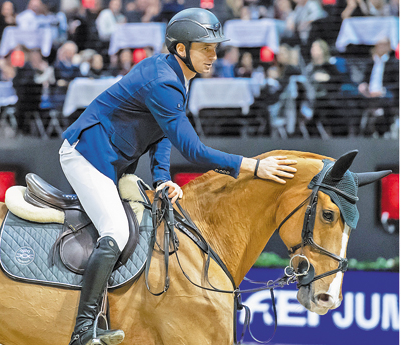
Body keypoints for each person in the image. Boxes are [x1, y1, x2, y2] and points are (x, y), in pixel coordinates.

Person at [60, 8, 297, 345]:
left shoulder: (174, 74)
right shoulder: (164, 82)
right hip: (85, 155)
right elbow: (194, 150)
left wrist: (160, 179)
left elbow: (163, 135)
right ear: (181, 49)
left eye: (215, 48)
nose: (214, 56)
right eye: (206, 48)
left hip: (111, 161)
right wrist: (252, 166)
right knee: (115, 229)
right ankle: (83, 331)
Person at [357, 36, 398, 136]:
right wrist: (363, 86)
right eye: (378, 45)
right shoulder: (370, 63)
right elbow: (364, 79)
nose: (380, 47)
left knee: (385, 102)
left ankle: (382, 131)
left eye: (383, 45)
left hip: (385, 94)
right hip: (369, 94)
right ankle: (359, 134)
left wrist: (382, 90)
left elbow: (397, 83)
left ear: (389, 47)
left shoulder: (394, 63)